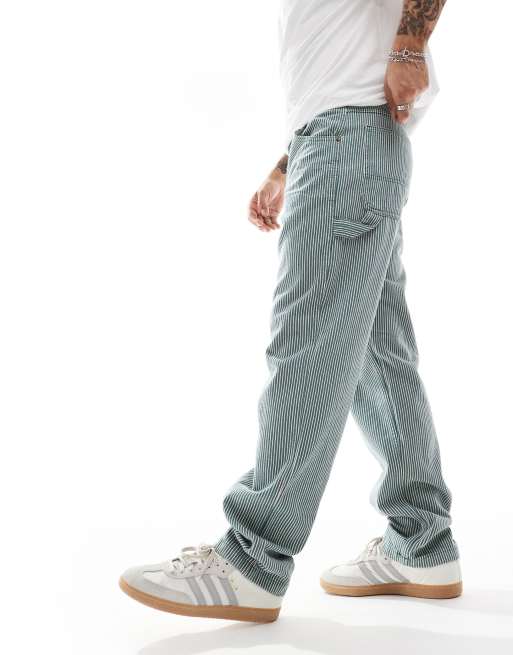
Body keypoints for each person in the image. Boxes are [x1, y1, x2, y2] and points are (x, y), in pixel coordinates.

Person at [119, 0, 461, 623]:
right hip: (343, 143)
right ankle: (422, 540)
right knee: (375, 356)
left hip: (347, 145)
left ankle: (254, 560)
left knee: (309, 347)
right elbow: (336, 61)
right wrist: (289, 163)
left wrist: (410, 47)